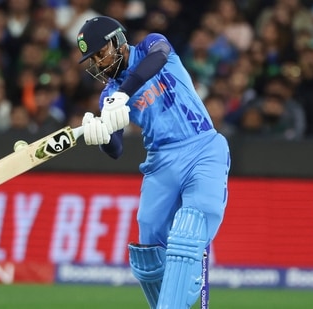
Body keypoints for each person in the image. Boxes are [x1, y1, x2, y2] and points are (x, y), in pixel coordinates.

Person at [75, 16, 230, 309]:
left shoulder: (149, 46)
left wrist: (124, 93)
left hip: (202, 146)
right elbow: (117, 148)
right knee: (146, 254)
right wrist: (102, 135)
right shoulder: (108, 96)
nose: (98, 62)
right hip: (161, 163)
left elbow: (160, 57)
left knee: (189, 229)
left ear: (118, 41)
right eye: (93, 58)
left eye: (100, 52)